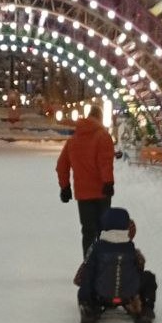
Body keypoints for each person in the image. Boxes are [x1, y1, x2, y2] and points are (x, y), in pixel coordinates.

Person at [74, 207, 157, 323]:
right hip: (127, 294)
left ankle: (89, 308)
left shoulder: (97, 248)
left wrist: (84, 297)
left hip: (101, 294)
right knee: (149, 277)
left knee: (90, 275)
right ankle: (146, 308)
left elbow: (88, 274)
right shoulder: (130, 248)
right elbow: (138, 269)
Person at [56, 104, 116, 256]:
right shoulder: (103, 136)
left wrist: (65, 187)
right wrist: (108, 182)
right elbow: (105, 162)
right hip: (102, 193)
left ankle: (89, 265)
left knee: (88, 231)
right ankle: (104, 264)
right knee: (104, 230)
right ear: (100, 118)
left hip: (83, 194)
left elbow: (61, 165)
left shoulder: (73, 140)